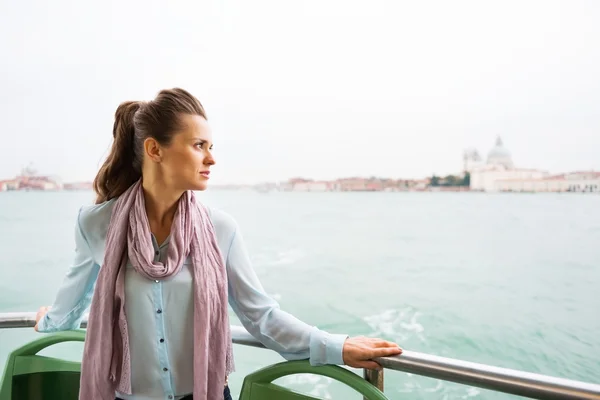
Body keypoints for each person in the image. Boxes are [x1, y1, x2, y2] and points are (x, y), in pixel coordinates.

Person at [34, 88, 403, 400]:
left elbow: (261, 317)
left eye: (210, 146)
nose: (211, 158)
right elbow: (71, 306)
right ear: (155, 149)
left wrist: (337, 347)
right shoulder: (95, 224)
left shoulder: (220, 229)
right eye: (198, 145)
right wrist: (47, 320)